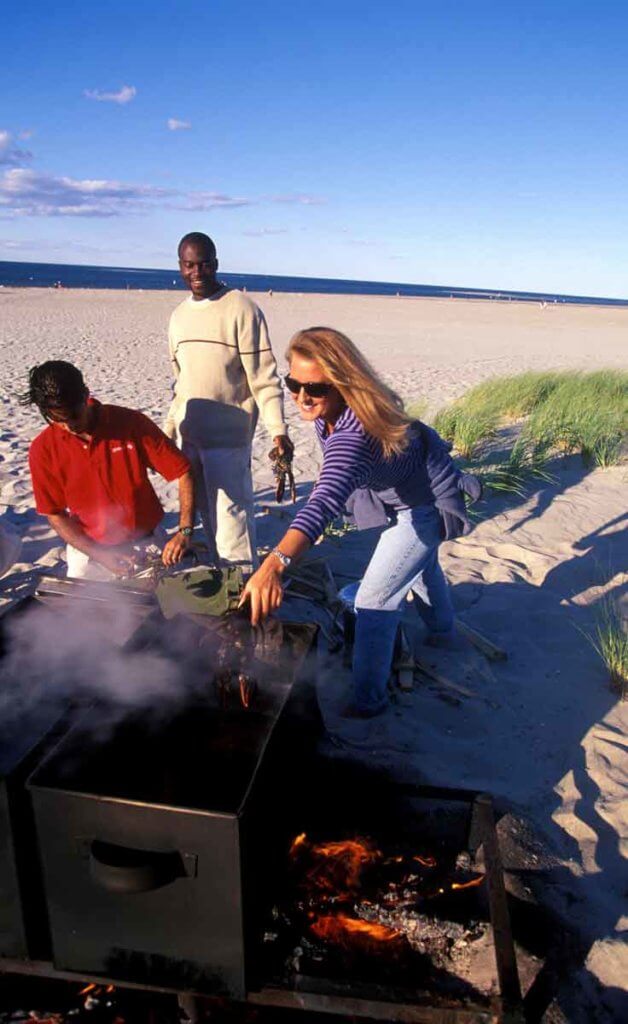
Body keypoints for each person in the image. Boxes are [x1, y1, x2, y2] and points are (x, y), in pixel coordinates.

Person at [239, 327, 475, 718]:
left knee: (373, 603)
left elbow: (323, 502)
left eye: (315, 389)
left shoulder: (354, 434)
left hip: (425, 503)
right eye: (293, 383)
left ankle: (369, 702)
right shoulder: (327, 415)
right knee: (421, 563)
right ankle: (445, 635)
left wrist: (274, 564)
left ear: (343, 384)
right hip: (405, 495)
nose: (301, 397)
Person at [165, 232, 292, 569]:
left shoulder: (242, 309)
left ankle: (243, 595)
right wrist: (168, 430)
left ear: (216, 264)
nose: (197, 272)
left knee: (233, 524)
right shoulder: (178, 316)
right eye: (189, 265)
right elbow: (181, 384)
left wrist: (278, 431)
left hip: (229, 442)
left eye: (204, 263)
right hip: (188, 439)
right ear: (180, 267)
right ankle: (224, 589)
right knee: (207, 521)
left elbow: (264, 378)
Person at [24, 361, 194, 580]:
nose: (69, 426)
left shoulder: (130, 423)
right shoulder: (43, 449)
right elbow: (54, 513)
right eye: (57, 419)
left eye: (74, 415)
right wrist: (99, 554)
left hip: (147, 543)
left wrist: (185, 530)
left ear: (85, 394)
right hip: (89, 552)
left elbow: (183, 471)